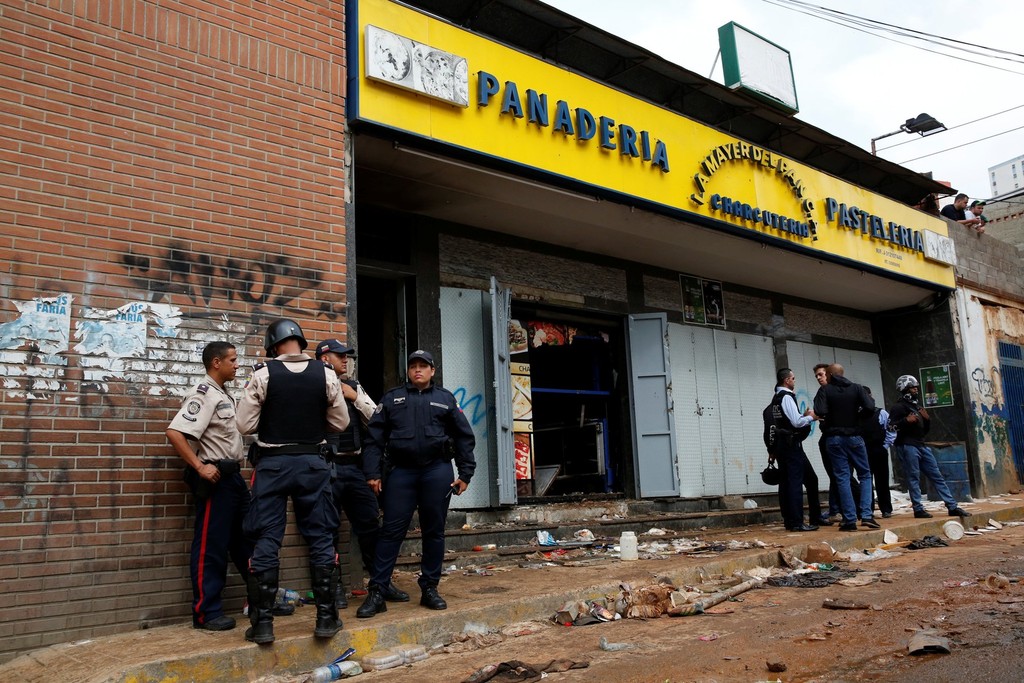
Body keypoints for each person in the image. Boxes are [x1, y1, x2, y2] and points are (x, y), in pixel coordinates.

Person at [236, 319, 350, 644]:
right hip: (313, 464)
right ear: (301, 342)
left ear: (273, 345)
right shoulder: (326, 373)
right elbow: (340, 422)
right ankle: (326, 620)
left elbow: (244, 425)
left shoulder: (262, 374)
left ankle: (262, 625)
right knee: (319, 537)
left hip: (272, 465)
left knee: (267, 538)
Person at [356, 350, 477, 618]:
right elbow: (374, 439)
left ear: (433, 371)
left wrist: (465, 474)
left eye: (424, 366)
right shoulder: (392, 399)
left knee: (433, 531)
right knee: (390, 531)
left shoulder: (445, 399)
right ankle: (377, 591)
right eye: (414, 366)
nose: (418, 370)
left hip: (437, 471)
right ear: (408, 371)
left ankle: (430, 588)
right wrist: (372, 473)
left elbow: (464, 437)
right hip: (402, 473)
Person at [313, 339, 409, 609]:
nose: (346, 360)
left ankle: (381, 582)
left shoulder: (353, 386)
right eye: (340, 356)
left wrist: (353, 397)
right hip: (324, 466)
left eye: (347, 356)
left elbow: (377, 417)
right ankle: (334, 589)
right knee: (327, 530)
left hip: (354, 467)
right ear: (323, 358)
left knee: (369, 525)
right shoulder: (311, 383)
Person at [166, 341, 249, 632]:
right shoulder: (203, 394)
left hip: (234, 479)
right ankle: (206, 613)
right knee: (211, 546)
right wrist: (200, 467)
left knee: (246, 539)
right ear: (216, 362)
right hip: (217, 481)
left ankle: (259, 599)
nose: (237, 364)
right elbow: (175, 432)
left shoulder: (223, 393)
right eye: (233, 359)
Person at [887, 375, 971, 520]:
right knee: (913, 477)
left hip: (921, 445)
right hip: (907, 446)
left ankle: (952, 506)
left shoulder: (917, 406)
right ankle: (918, 509)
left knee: (937, 476)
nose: (915, 390)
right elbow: (890, 427)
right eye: (912, 388)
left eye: (916, 388)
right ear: (905, 389)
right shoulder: (898, 407)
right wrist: (906, 421)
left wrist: (927, 420)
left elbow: (924, 430)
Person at [813, 363, 877, 531]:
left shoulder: (825, 391)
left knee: (842, 477)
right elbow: (870, 407)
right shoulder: (856, 388)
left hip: (833, 438)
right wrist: (857, 417)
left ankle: (849, 519)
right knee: (864, 474)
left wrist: (829, 417)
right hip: (854, 436)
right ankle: (867, 515)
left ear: (829, 374)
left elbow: (819, 409)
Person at [769, 368, 819, 531]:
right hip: (791, 445)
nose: (794, 381)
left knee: (797, 481)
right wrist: (811, 417)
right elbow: (796, 423)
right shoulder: (786, 397)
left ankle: (794, 520)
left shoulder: (776, 398)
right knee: (794, 484)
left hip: (784, 445)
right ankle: (796, 522)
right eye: (793, 378)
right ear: (787, 380)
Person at [813, 364, 859, 525]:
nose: (819, 378)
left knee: (842, 476)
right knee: (838, 475)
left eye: (821, 374)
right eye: (817, 376)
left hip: (842, 437)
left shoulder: (839, 391)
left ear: (830, 375)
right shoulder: (825, 393)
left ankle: (845, 510)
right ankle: (838, 510)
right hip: (832, 437)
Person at [860, 387, 893, 518]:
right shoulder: (857, 415)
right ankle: (868, 510)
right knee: (866, 481)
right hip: (863, 452)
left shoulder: (881, 413)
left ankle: (886, 509)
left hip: (879, 450)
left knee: (882, 480)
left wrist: (885, 446)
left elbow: (891, 430)